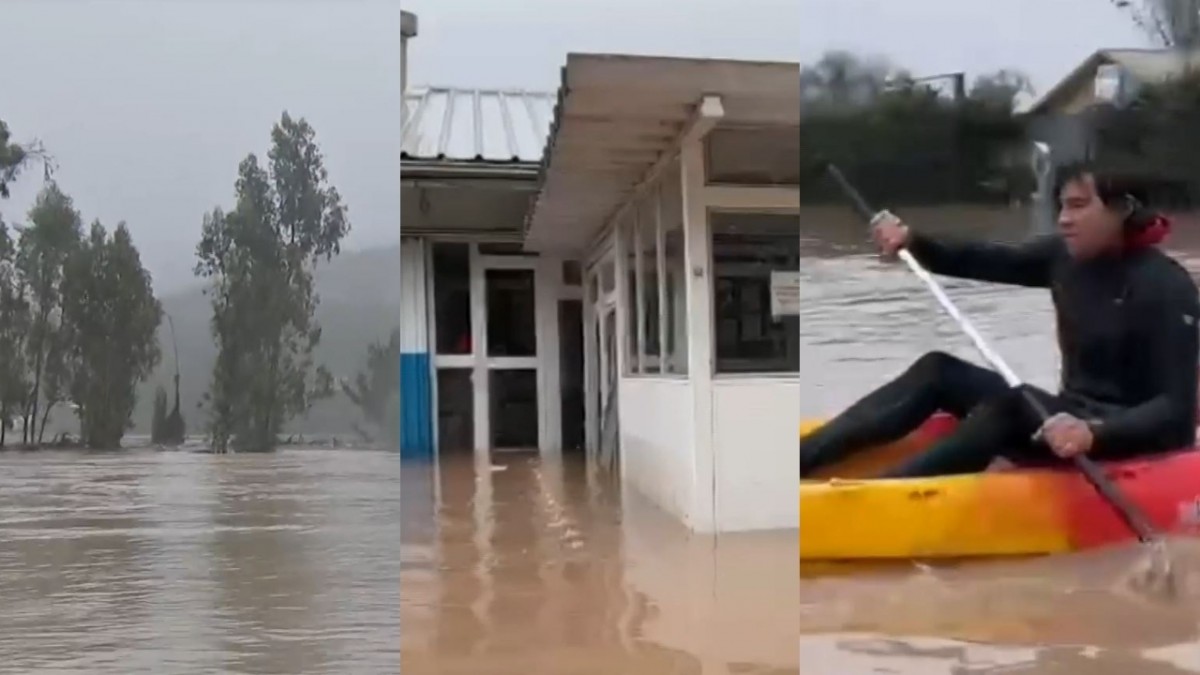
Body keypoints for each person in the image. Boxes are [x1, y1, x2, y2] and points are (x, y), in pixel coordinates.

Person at [800, 163, 1200, 478]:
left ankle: (884, 497)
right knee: (939, 370)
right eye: (1061, 205)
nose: (1063, 219)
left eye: (1078, 206)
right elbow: (982, 258)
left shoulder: (1167, 287)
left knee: (1011, 405)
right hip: (1066, 416)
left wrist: (1094, 433)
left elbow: (1176, 410)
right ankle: (797, 464)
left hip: (1129, 438)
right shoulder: (1062, 259)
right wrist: (914, 242)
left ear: (1124, 210)